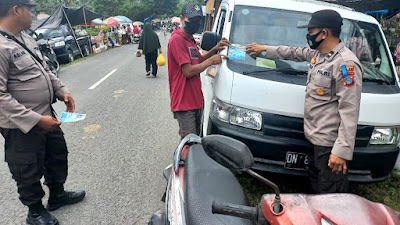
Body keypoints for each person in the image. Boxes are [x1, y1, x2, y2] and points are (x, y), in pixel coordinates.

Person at [246, 9, 363, 194]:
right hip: (314, 138)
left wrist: (341, 151)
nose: (308, 35)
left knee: (330, 196)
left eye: (311, 31)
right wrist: (265, 49)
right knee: (316, 187)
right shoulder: (320, 55)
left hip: (329, 146)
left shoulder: (345, 64)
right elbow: (294, 53)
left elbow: (349, 110)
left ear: (324, 33)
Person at [0, 1, 85, 224]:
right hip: (21, 125)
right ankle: (35, 211)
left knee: (56, 155)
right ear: (15, 9)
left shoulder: (25, 38)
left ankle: (57, 195)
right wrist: (36, 120)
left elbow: (46, 71)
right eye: (30, 9)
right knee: (27, 168)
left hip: (46, 114)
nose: (33, 14)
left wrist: (62, 91)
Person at [168, 2, 230, 139]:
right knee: (189, 143)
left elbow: (199, 60)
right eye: (191, 20)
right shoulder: (177, 40)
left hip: (195, 100)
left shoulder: (190, 40)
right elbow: (188, 71)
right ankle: (181, 160)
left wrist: (215, 49)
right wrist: (211, 61)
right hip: (184, 103)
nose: (195, 23)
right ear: (182, 18)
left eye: (198, 21)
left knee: (195, 140)